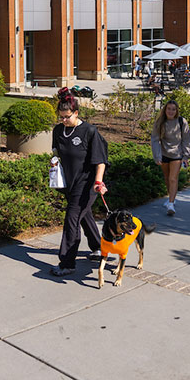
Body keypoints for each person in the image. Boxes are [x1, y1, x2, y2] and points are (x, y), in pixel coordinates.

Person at [50, 89, 109, 276]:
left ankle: (67, 263)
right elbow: (56, 153)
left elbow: (100, 160)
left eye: (67, 117)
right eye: (61, 117)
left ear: (76, 113)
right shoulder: (58, 131)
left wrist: (98, 182)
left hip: (87, 184)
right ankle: (98, 247)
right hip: (68, 182)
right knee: (84, 215)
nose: (64, 121)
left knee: (72, 219)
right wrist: (53, 164)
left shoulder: (89, 131)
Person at [151, 100, 190, 216]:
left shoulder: (181, 122)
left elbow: (186, 139)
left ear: (176, 110)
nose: (171, 111)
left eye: (173, 109)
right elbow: (155, 140)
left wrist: (186, 155)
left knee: (173, 178)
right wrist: (157, 155)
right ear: (165, 110)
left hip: (177, 154)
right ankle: (171, 197)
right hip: (164, 154)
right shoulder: (160, 122)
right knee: (167, 178)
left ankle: (171, 203)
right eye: (169, 109)